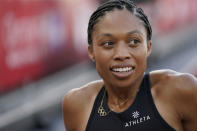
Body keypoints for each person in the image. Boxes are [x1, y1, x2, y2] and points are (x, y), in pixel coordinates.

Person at [62, 0, 197, 131]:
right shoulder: (77, 104)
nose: (121, 54)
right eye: (108, 43)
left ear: (148, 47)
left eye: (133, 41)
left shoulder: (181, 89)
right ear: (91, 52)